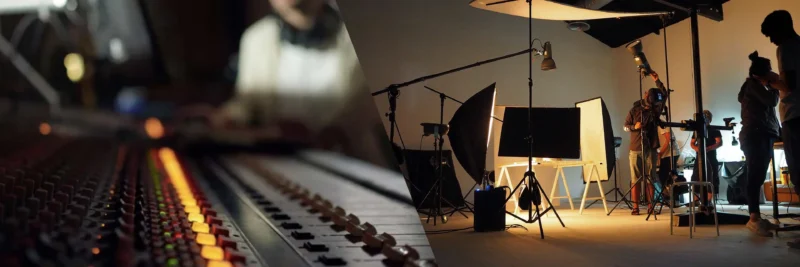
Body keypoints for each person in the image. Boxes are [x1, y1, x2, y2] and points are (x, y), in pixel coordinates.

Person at [761, 10, 800, 248]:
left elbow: (789, 85)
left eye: (771, 35)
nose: (771, 41)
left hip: (795, 116)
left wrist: (767, 80)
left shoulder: (785, 48)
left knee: (799, 173)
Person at [738, 51, 781, 237]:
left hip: (762, 134)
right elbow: (772, 102)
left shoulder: (754, 86)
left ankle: (756, 217)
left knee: (759, 175)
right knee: (755, 176)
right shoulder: (752, 85)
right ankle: (753, 218)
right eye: (770, 71)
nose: (772, 73)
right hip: (755, 135)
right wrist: (774, 85)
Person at [624, 71, 669, 215]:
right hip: (636, 148)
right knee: (635, 180)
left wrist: (657, 80)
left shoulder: (656, 109)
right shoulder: (634, 110)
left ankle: (651, 206)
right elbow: (625, 126)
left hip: (651, 148)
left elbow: (664, 95)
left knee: (651, 178)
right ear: (645, 95)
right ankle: (635, 207)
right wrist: (634, 127)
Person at [689, 110, 722, 212]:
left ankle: (708, 200)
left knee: (711, 177)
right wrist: (696, 148)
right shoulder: (696, 130)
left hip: (711, 156)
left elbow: (719, 143)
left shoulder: (714, 129)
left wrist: (709, 148)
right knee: (695, 176)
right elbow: (692, 143)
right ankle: (695, 200)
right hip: (699, 157)